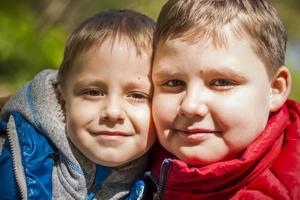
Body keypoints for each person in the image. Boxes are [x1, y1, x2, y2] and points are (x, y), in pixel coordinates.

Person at [147, 0, 300, 199]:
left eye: (221, 82)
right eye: (173, 83)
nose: (190, 106)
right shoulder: (129, 162)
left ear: (275, 89)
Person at [0, 9, 156, 199]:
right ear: (62, 94)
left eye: (137, 95)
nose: (113, 112)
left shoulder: (169, 178)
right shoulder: (11, 153)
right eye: (93, 92)